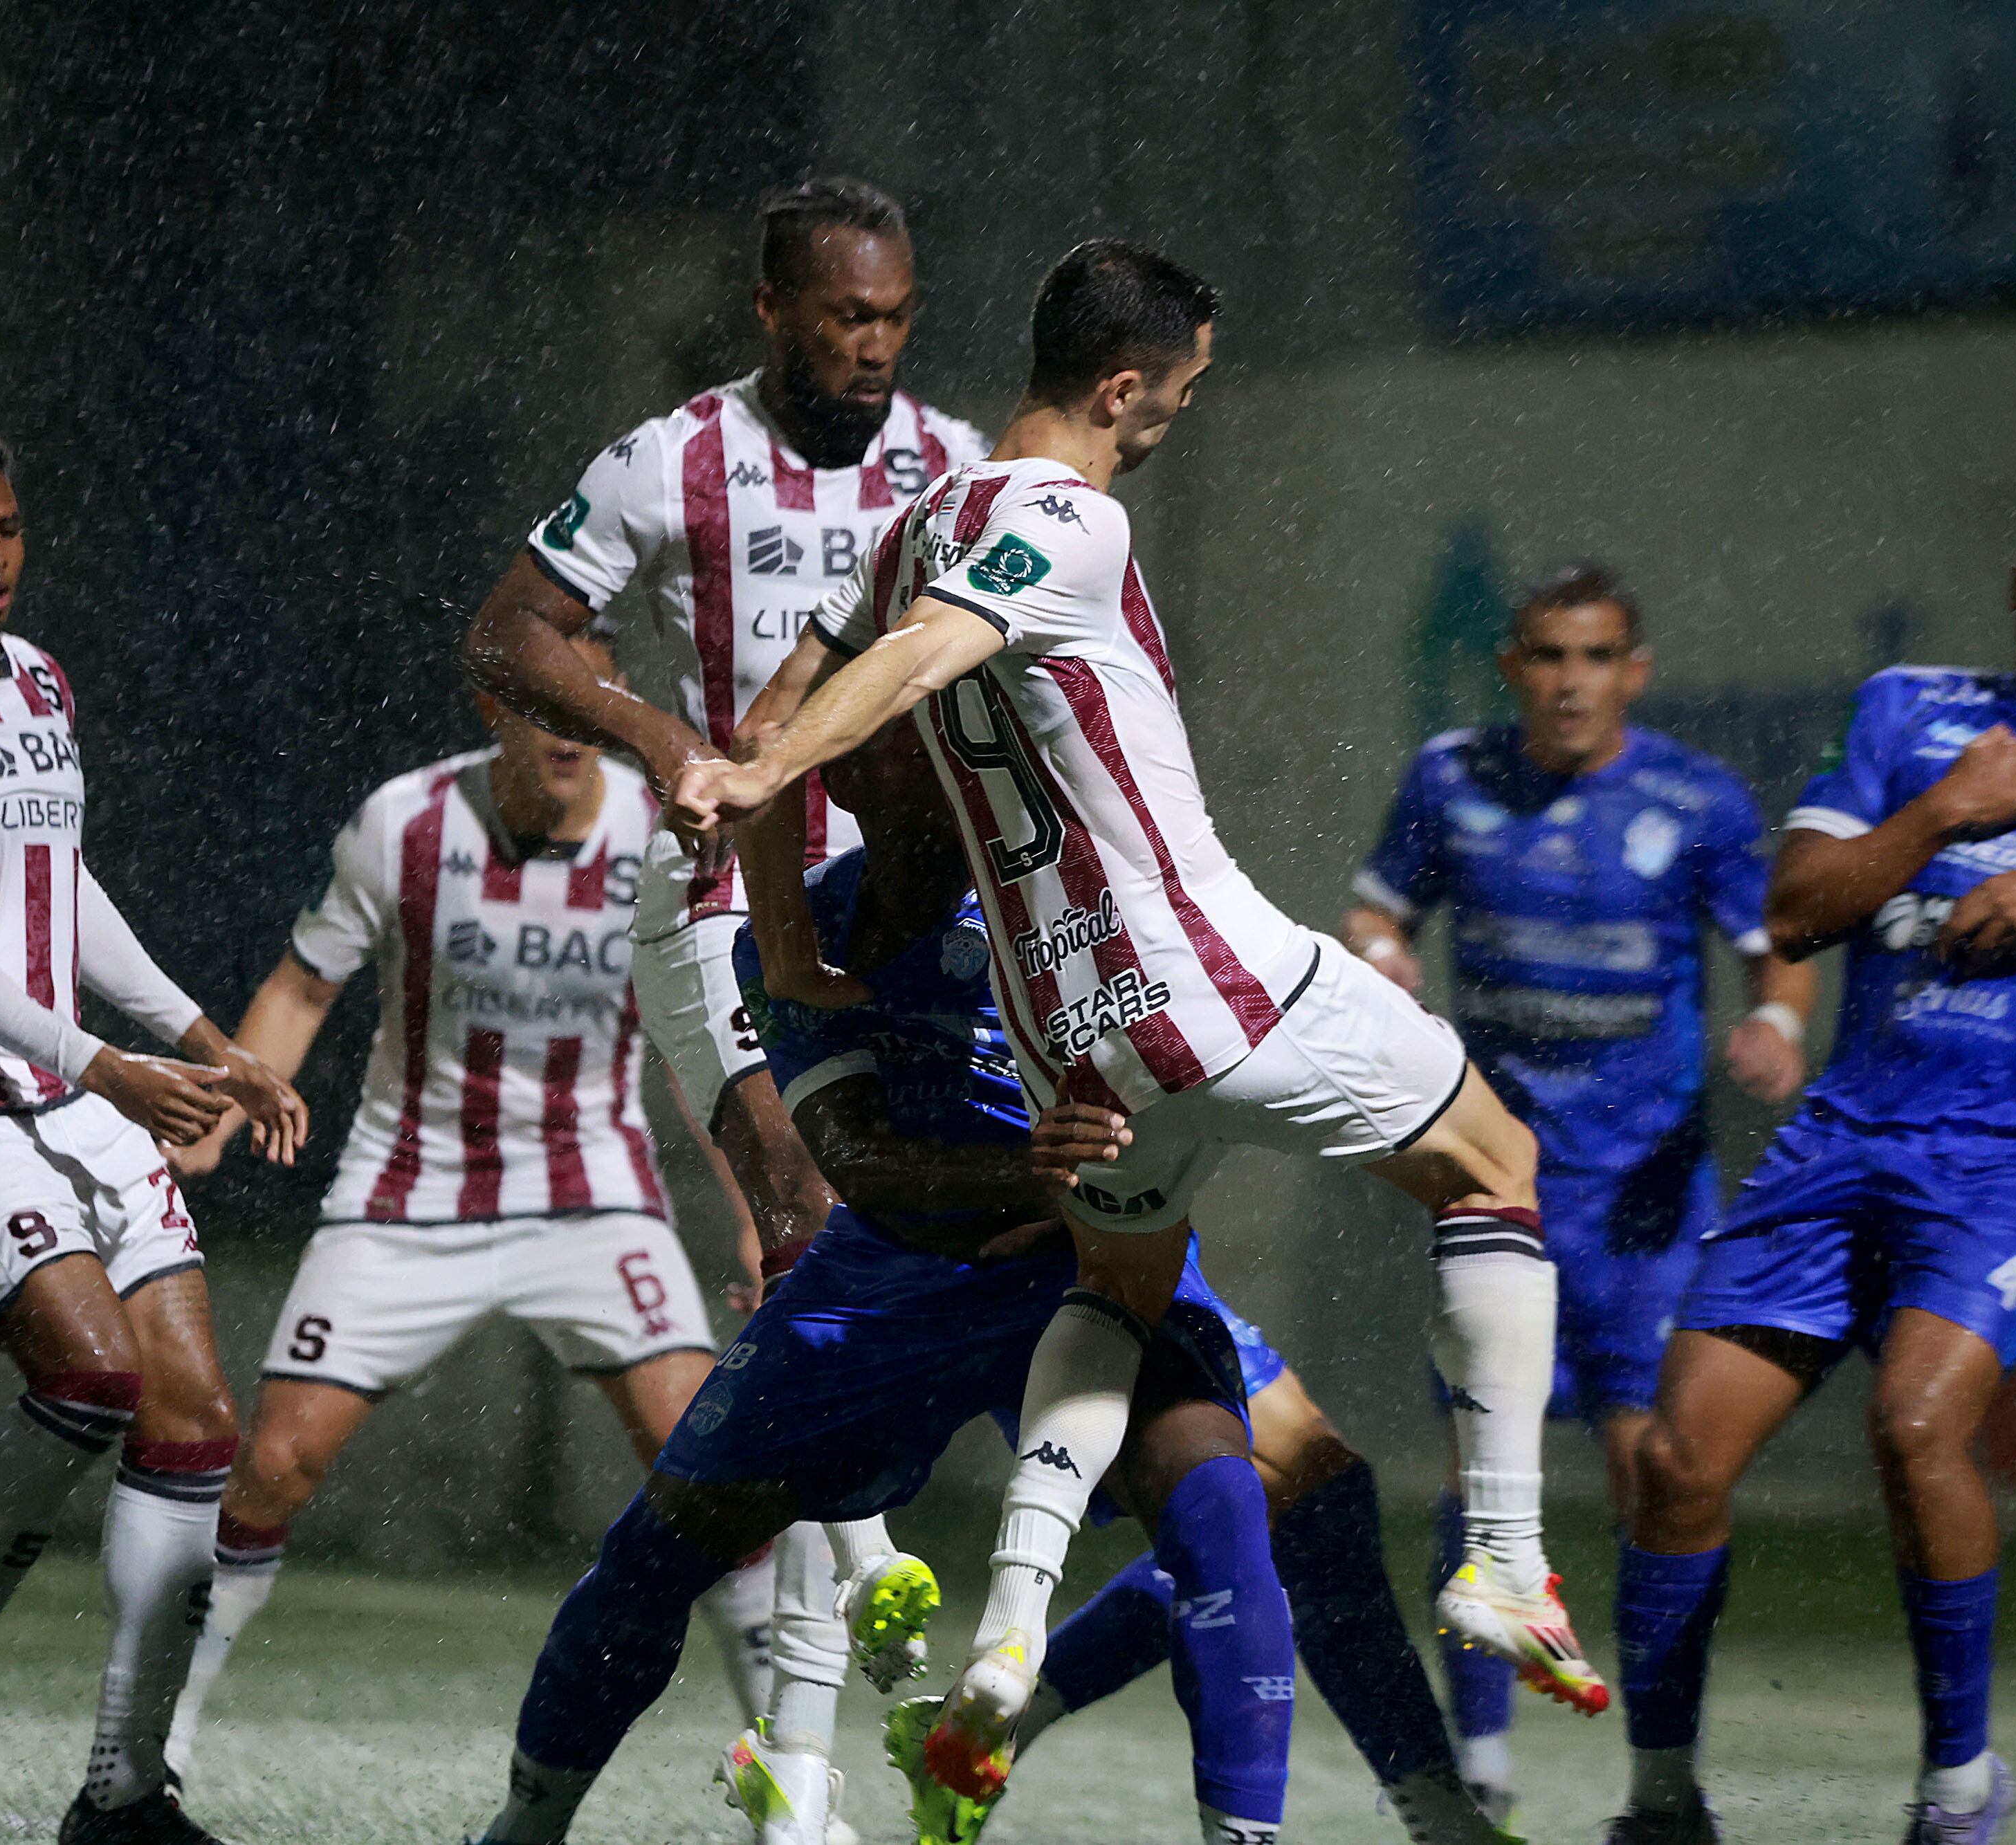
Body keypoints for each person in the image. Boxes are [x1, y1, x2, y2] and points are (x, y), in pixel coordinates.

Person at [673, 239, 1594, 1799]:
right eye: (1181, 383)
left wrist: (776, 909)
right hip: (1198, 976)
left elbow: (772, 706)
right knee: (1492, 1155)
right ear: (1121, 384)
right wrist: (772, 785)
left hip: (1061, 1032)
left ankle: (1009, 1633)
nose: (1180, 407)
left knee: (1115, 1278)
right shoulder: (1063, 517)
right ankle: (1503, 1549)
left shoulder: (912, 523)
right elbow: (913, 660)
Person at [477, 718, 1344, 1845]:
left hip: (1089, 1262)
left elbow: (1174, 1104)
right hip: (886, 1281)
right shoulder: (801, 935)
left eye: (959, 740)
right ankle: (523, 1828)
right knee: (656, 1552)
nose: (947, 766)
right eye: (905, 746)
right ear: (843, 777)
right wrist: (1031, 1180)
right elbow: (864, 1168)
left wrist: (1099, 1188)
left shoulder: (1085, 909)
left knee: (1230, 1509)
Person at [459, 173, 992, 1783]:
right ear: (771, 312)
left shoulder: (955, 467)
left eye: (894, 317)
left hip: (899, 906)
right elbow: (509, 631)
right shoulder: (672, 459)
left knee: (869, 1259)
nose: (875, 347)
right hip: (717, 901)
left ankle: (798, 1741)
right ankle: (857, 1634)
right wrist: (663, 735)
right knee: (809, 1226)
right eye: (844, 319)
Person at [1600, 479, 2016, 1845]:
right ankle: (1654, 1801)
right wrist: (1942, 810)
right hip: (1840, 1138)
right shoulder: (1907, 713)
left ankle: (1953, 1794)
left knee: (1914, 1424)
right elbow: (1793, 912)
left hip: (2011, 1150)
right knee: (1676, 1457)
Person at [155, 629, 780, 1786]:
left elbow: (703, 1036)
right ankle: (161, 1744)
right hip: (412, 1187)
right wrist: (227, 1097)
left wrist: (757, 1203)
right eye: (548, 700)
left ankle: (790, 1774)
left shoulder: (661, 830)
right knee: (276, 1464)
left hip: (594, 1194)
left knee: (713, 1467)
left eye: (597, 701)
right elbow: (303, 984)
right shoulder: (403, 823)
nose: (572, 724)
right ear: (496, 705)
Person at [0, 415, 304, 1845]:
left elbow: (59, 884)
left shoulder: (35, 679)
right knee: (91, 1380)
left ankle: (121, 1792)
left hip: (73, 1085)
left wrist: (204, 1036)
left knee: (199, 1423)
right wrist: (108, 1064)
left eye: (7, 529)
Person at [1344, 564, 1814, 1819]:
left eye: (1596, 657)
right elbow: (1376, 910)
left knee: (1655, 1472)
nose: (1570, 683)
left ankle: (1663, 1778)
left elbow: (1776, 948)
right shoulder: (1453, 775)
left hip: (1645, 1208)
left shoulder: (1694, 798)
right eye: (1548, 656)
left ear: (1635, 671)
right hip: (1497, 1189)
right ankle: (1482, 1770)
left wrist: (1774, 1021)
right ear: (1512, 668)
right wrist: (1382, 953)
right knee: (1482, 1471)